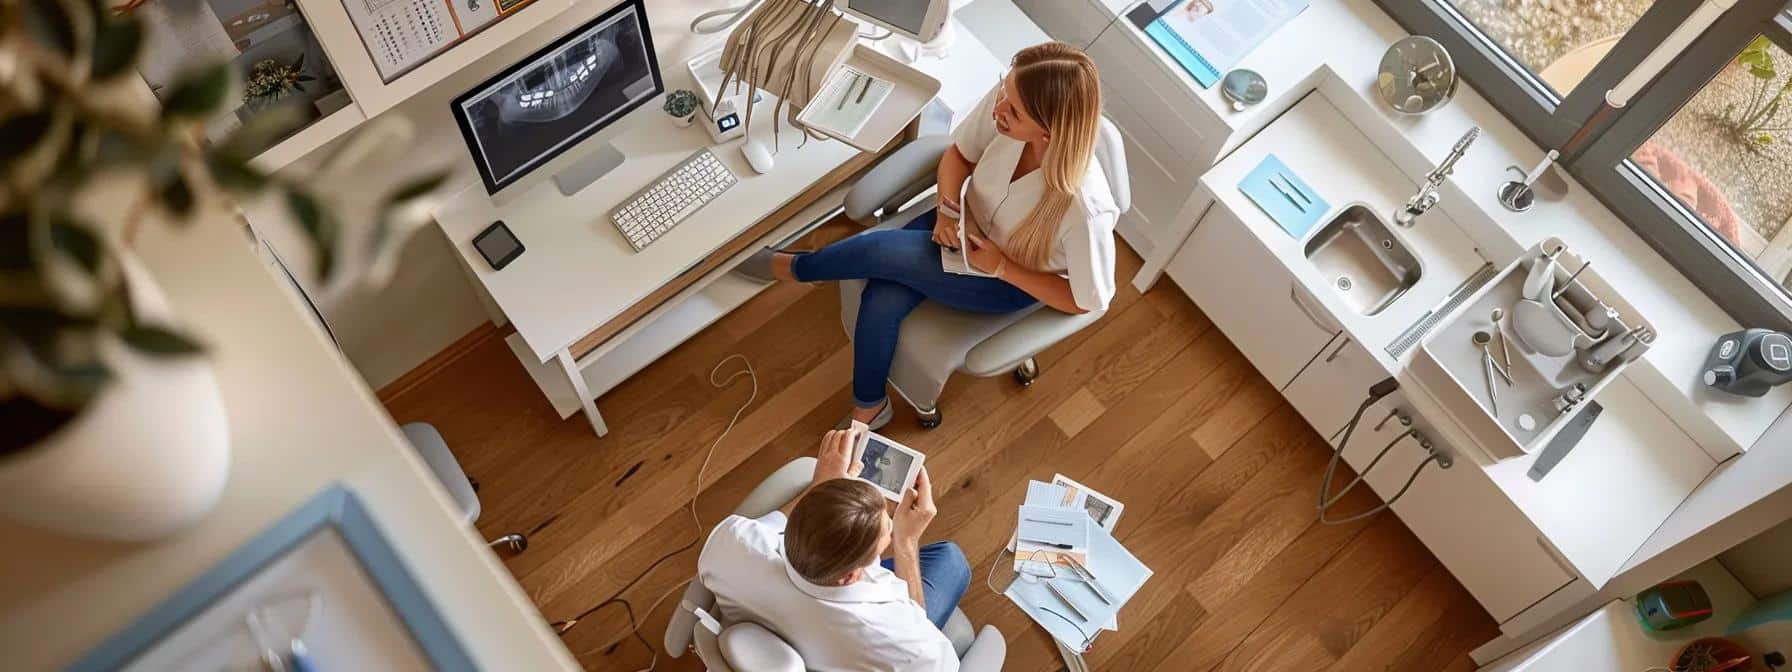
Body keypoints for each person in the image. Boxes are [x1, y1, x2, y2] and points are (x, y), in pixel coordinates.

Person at [738, 42, 1118, 429]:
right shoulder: (1008, 103)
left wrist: (1002, 267)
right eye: (1005, 90)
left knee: (876, 251)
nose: (998, 109)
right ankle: (869, 408)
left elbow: (1086, 301)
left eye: (1014, 111)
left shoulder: (1087, 210)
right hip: (959, 223)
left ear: (1048, 132)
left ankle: (793, 268)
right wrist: (947, 212)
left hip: (1002, 278)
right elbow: (958, 155)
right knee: (881, 299)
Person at [697, 429, 970, 671]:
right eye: (887, 533)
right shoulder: (907, 645)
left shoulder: (732, 543)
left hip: (782, 633)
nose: (891, 526)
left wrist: (821, 487)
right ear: (851, 576)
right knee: (951, 560)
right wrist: (906, 543)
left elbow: (775, 525)